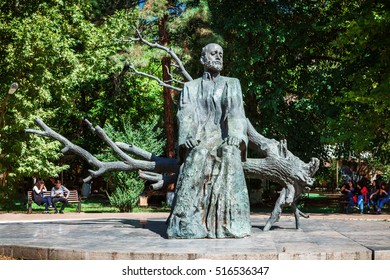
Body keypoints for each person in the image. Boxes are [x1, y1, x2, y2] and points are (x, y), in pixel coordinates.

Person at [167, 43, 251, 238]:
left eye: (221, 53)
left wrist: (236, 136)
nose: (219, 57)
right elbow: (185, 114)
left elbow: (237, 113)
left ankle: (231, 223)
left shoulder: (232, 83)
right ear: (203, 59)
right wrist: (187, 137)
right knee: (197, 154)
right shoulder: (190, 87)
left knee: (230, 153)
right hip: (200, 138)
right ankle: (185, 220)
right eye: (214, 53)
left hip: (224, 138)